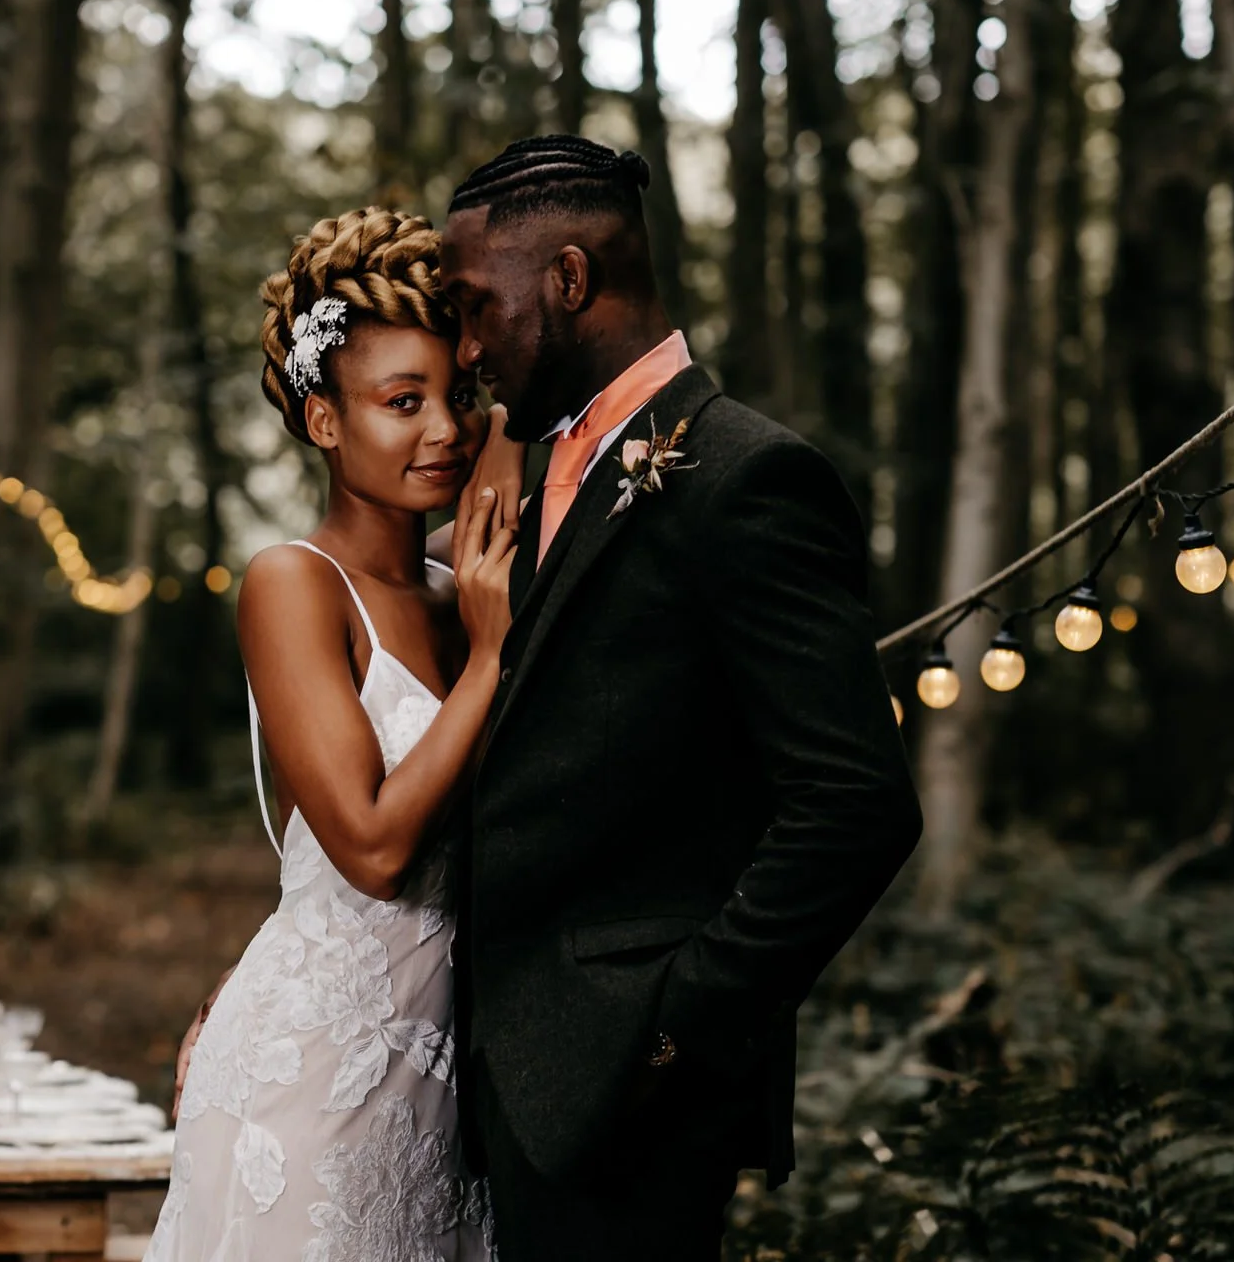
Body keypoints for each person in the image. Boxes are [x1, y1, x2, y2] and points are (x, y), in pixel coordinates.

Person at [435, 135, 923, 1259]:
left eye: (474, 308)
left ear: (568, 279)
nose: (464, 348)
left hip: (628, 1095)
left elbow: (856, 803)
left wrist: (674, 1030)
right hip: (501, 1091)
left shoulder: (751, 477)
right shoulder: (537, 468)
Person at [144, 207, 513, 1261]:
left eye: (457, 394)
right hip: (307, 1076)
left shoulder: (460, 580)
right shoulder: (294, 584)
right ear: (323, 420)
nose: (442, 427)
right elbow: (375, 846)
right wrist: (489, 661)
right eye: (402, 401)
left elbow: (529, 438)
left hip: (439, 1096)